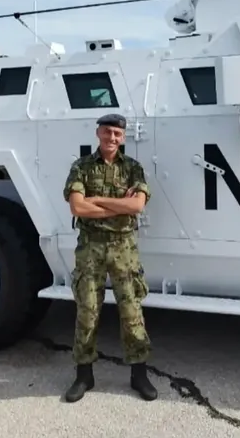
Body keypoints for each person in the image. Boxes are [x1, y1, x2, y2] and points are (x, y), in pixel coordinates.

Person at [62, 113, 157, 403]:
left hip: (123, 247)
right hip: (90, 247)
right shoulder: (81, 167)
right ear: (98, 134)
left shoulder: (133, 169)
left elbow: (137, 205)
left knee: (131, 312)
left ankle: (138, 374)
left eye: (117, 133)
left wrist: (98, 201)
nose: (111, 138)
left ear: (123, 137)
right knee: (87, 311)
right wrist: (118, 207)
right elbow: (77, 208)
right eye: (107, 132)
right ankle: (84, 374)